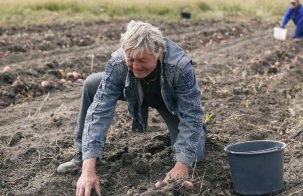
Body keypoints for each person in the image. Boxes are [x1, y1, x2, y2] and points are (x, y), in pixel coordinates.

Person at [57, 20, 207, 195]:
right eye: (131, 59)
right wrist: (87, 169)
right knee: (92, 84)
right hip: (134, 90)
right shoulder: (118, 63)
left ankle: (197, 137)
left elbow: (192, 114)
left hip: (169, 100)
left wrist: (182, 165)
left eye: (143, 60)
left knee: (194, 155)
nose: (136, 67)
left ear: (159, 51)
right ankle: (82, 154)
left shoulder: (180, 66)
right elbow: (99, 111)